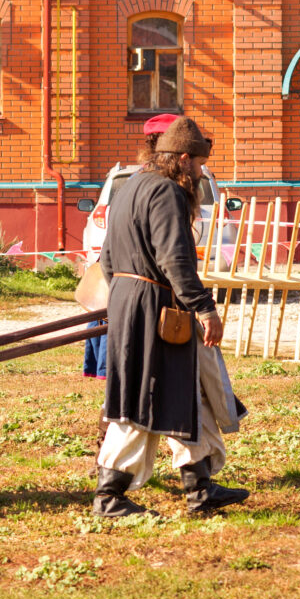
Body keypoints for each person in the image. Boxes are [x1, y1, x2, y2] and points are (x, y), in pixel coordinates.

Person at [94, 117, 250, 517]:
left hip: (135, 299)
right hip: (152, 306)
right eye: (197, 164)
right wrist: (204, 308)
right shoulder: (166, 192)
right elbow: (175, 260)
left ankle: (200, 489)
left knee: (184, 391)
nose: (199, 172)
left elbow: (107, 259)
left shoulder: (131, 186)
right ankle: (109, 497)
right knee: (143, 397)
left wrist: (125, 297)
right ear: (182, 159)